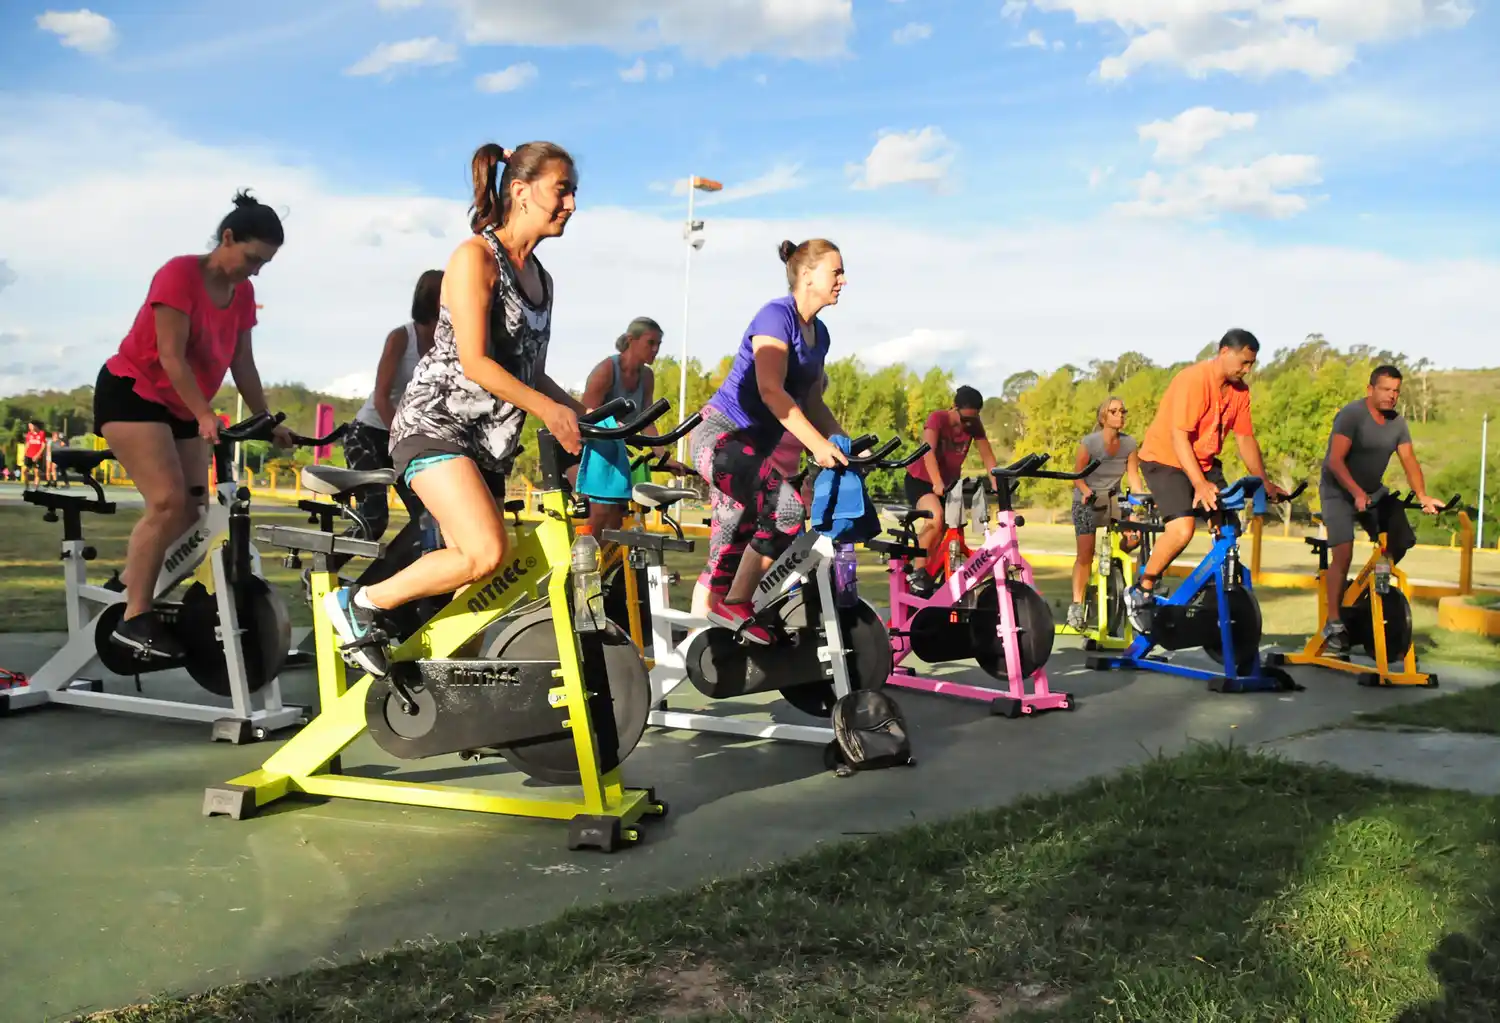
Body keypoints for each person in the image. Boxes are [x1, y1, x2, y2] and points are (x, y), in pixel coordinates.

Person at [323, 141, 586, 677]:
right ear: (520, 190)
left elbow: (530, 369)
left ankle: (451, 681)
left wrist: (585, 415)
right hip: (435, 424)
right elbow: (475, 361)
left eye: (574, 193)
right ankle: (359, 603)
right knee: (484, 551)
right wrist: (547, 411)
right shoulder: (474, 258)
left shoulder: (543, 280)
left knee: (486, 579)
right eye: (562, 190)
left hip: (488, 443)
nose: (572, 205)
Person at [92, 191, 294, 660]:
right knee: (167, 502)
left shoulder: (243, 293)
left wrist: (265, 419)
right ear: (228, 238)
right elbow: (170, 356)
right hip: (133, 391)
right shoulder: (179, 274)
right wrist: (205, 413)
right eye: (252, 258)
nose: (256, 271)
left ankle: (123, 589)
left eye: (264, 264)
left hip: (182, 405)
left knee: (193, 513)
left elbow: (243, 363)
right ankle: (134, 618)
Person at [687, 239, 849, 643]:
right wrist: (818, 446)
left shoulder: (820, 335)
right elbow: (771, 390)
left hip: (750, 453)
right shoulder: (776, 317)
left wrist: (845, 445)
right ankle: (730, 610)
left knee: (727, 559)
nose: (843, 280)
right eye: (837, 271)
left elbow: (812, 401)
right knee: (786, 510)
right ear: (807, 275)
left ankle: (713, 641)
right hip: (719, 437)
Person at [1125, 329, 1286, 632]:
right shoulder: (1194, 380)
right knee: (1182, 529)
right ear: (1224, 352)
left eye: (1251, 364)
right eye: (1244, 362)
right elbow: (1179, 438)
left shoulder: (1240, 392)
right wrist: (1199, 484)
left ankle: (1216, 593)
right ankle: (1142, 589)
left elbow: (1245, 439)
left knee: (1229, 527)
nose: (1247, 369)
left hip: (1204, 461)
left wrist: (1264, 481)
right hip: (1165, 459)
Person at [1317, 364, 1445, 654]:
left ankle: (1369, 589)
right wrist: (1356, 493)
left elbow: (1409, 461)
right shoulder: (1352, 415)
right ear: (1370, 389)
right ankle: (1333, 622)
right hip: (1338, 492)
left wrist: (1423, 495)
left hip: (1372, 493)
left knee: (1401, 539)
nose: (1391, 395)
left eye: (1396, 391)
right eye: (1386, 389)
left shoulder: (1397, 423)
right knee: (1343, 553)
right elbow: (1335, 461)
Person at [689, 372, 825, 617]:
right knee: (722, 567)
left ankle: (750, 619)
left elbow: (816, 455)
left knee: (783, 568)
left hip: (783, 494)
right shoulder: (768, 411)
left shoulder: (803, 422)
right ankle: (697, 633)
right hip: (744, 489)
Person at [342, 268, 444, 540]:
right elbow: (381, 397)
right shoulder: (401, 337)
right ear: (433, 300)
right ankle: (325, 564)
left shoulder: (448, 345)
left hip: (409, 438)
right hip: (369, 434)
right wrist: (404, 439)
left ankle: (415, 567)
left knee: (430, 517)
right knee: (374, 521)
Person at [574, 316, 689, 537]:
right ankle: (585, 557)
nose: (655, 349)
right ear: (630, 340)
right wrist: (613, 426)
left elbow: (647, 421)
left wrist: (664, 457)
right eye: (650, 343)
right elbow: (584, 416)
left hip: (615, 450)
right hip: (587, 448)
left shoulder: (647, 376)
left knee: (619, 516)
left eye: (658, 344)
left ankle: (604, 559)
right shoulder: (606, 370)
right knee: (600, 511)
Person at [901, 386, 999, 594]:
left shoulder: (974, 425)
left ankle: (929, 574)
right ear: (954, 407)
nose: (968, 425)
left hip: (947, 485)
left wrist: (997, 482)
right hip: (921, 479)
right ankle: (917, 572)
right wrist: (937, 482)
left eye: (973, 420)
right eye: (965, 419)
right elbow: (927, 452)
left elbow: (987, 455)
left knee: (948, 528)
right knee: (935, 517)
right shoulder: (938, 418)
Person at [1065, 395, 1146, 630]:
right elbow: (1077, 476)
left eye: (1123, 411)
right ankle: (1077, 604)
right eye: (1114, 411)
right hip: (1087, 498)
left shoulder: (1129, 444)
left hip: (1114, 499)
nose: (1120, 415)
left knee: (1135, 537)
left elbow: (1134, 476)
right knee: (1085, 555)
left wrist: (1140, 502)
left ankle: (1112, 565)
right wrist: (1086, 491)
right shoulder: (1090, 443)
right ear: (1103, 417)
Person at [22, 422, 45, 488]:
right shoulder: (29, 434)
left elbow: (43, 446)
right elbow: (27, 444)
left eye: (31, 426)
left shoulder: (41, 433)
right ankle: (27, 486)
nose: (30, 428)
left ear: (35, 426)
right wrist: (24, 454)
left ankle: (36, 488)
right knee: (24, 471)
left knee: (36, 472)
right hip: (29, 456)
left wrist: (37, 455)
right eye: (29, 426)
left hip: (37, 457)